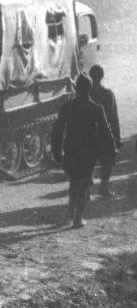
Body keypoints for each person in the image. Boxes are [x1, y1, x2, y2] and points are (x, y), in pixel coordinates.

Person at [51, 74, 116, 228]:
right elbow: (106, 132)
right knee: (84, 186)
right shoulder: (96, 108)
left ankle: (70, 212)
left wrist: (56, 151)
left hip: (70, 152)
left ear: (76, 87)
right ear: (90, 88)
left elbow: (57, 130)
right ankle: (78, 218)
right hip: (88, 154)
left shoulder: (67, 107)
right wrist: (111, 150)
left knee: (74, 182)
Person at [89, 64, 122, 197]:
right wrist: (117, 138)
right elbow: (114, 117)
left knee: (88, 162)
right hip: (104, 133)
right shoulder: (108, 94)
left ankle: (87, 191)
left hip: (88, 134)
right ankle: (104, 188)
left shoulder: (85, 94)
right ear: (102, 76)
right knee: (107, 162)